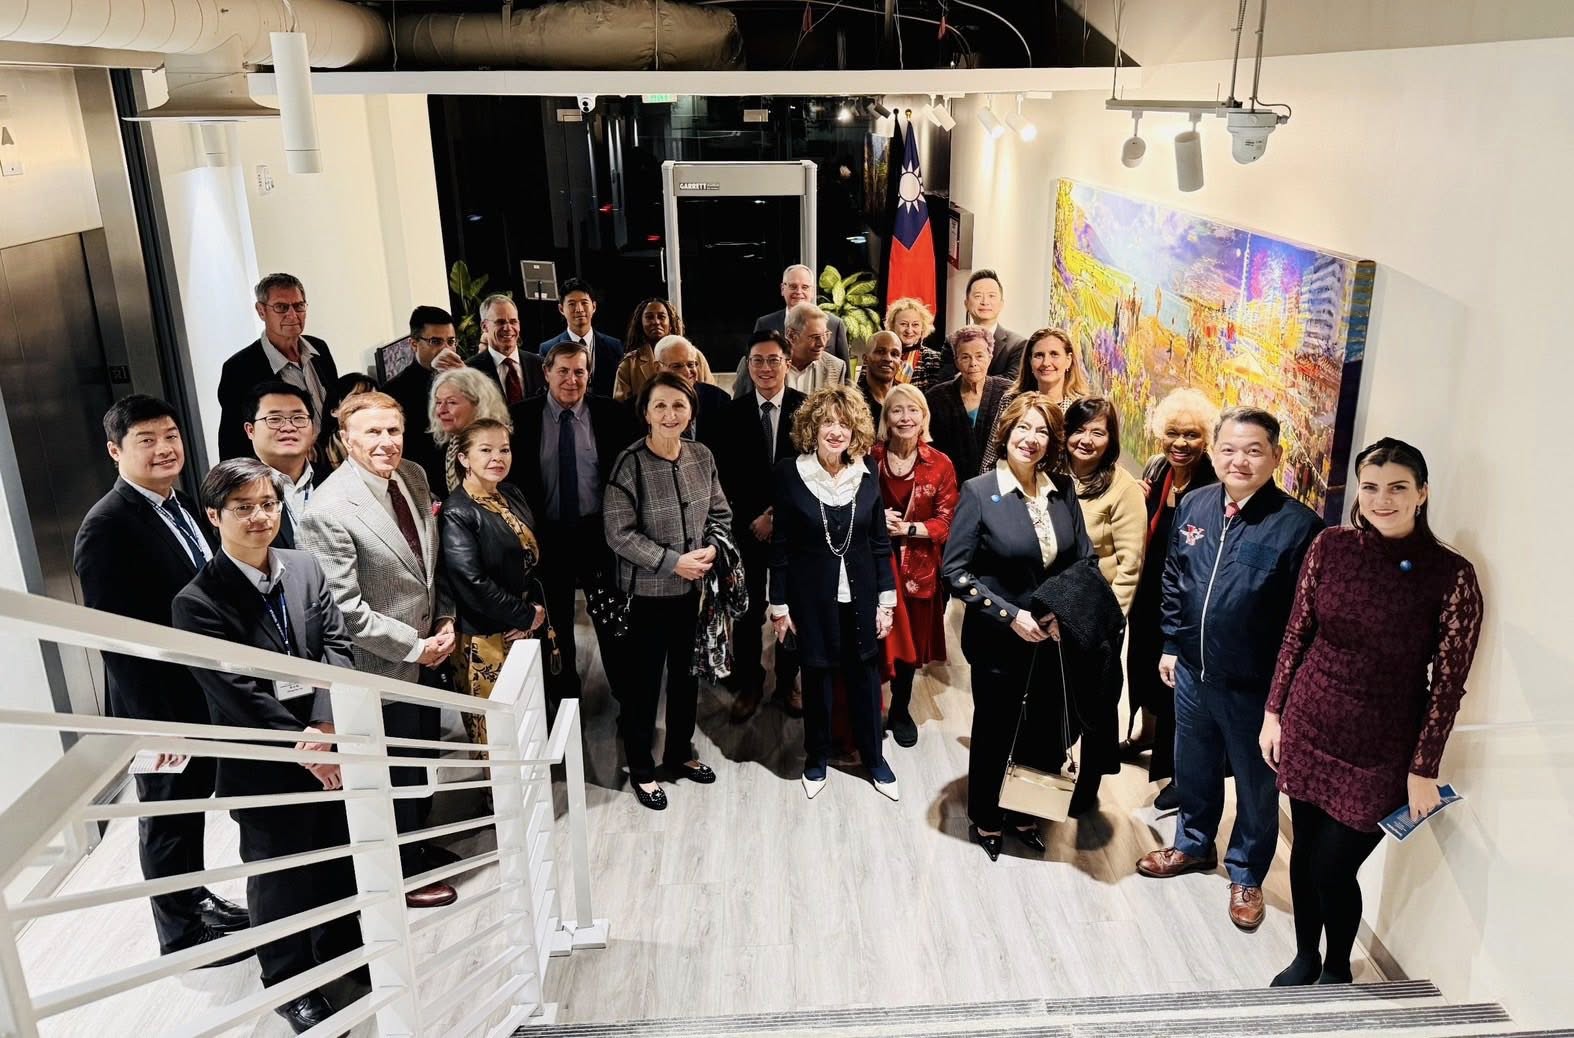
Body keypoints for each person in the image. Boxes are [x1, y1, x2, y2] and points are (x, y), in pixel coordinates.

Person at [1260, 438, 1483, 987]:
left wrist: (1424, 768)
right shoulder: (1331, 546)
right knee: (1304, 852)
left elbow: (1447, 684)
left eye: (1398, 487)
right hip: (1310, 724)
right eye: (1372, 487)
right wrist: (1273, 713)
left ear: (1422, 493)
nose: (1383, 500)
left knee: (1333, 866)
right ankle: (1306, 956)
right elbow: (1295, 635)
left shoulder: (1450, 575)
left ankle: (1337, 969)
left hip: (1382, 746)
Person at [171, 459, 360, 1034]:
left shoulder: (303, 566)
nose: (259, 517)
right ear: (214, 516)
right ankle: (288, 984)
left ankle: (341, 952)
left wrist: (324, 725)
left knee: (336, 855)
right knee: (279, 878)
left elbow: (336, 645)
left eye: (268, 504)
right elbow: (233, 690)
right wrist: (303, 744)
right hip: (264, 760)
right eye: (243, 508)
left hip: (327, 739)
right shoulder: (197, 601)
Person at [73, 396, 249, 960]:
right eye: (146, 440)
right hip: (161, 703)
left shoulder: (182, 503)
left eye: (170, 435)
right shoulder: (107, 526)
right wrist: (158, 725)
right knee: (168, 814)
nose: (164, 448)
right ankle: (181, 933)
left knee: (190, 806)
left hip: (202, 690)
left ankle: (194, 899)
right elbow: (117, 641)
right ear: (115, 451)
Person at [1136, 407, 1324, 934]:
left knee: (1257, 783)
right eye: (1229, 449)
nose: (1239, 460)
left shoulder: (1300, 527)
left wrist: (1282, 700)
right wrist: (1171, 643)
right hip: (1192, 673)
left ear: (1276, 457)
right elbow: (1174, 576)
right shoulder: (1196, 503)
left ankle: (1247, 873)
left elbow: (1304, 621)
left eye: (1254, 450)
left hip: (1254, 686)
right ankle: (1193, 844)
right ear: (1215, 453)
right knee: (1192, 765)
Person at [297, 391, 459, 909]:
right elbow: (345, 611)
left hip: (429, 653)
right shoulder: (327, 510)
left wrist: (446, 619)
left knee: (421, 764)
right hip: (381, 669)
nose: (386, 442)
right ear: (346, 439)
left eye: (393, 430)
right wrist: (415, 647)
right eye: (372, 432)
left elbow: (429, 564)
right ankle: (400, 876)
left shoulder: (412, 474)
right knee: (393, 777)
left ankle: (416, 849)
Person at [941, 393, 1096, 861]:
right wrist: (1011, 616)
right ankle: (987, 816)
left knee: (1041, 728)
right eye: (1023, 428)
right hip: (998, 638)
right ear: (1006, 432)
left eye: (1042, 431)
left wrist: (1060, 613)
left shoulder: (1062, 489)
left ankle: (1026, 811)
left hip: (1052, 636)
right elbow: (956, 573)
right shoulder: (979, 491)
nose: (1031, 439)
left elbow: (1084, 559)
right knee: (996, 727)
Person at [603, 373, 731, 810]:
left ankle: (679, 754)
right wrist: (672, 561)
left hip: (692, 594)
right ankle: (642, 769)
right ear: (646, 413)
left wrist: (712, 546)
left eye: (679, 405)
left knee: (685, 677)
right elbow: (618, 533)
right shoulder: (629, 463)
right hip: (646, 597)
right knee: (642, 687)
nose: (670, 414)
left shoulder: (702, 455)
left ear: (691, 411)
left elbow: (720, 513)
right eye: (660, 405)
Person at [770, 384, 900, 802]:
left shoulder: (867, 470)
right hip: (810, 598)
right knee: (817, 676)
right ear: (813, 427)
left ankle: (874, 758)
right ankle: (817, 757)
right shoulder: (790, 473)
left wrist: (886, 600)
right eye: (827, 422)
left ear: (855, 430)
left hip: (862, 595)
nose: (836, 431)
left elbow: (879, 541)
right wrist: (778, 604)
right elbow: (781, 545)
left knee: (865, 678)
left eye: (844, 424)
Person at [507, 341, 637, 706]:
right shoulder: (520, 418)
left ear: (589, 375)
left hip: (599, 535)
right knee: (555, 625)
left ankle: (626, 697)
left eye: (579, 371)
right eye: (562, 371)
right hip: (546, 538)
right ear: (546, 373)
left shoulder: (612, 415)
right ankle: (565, 700)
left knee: (612, 622)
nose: (571, 379)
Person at [1123, 388, 1221, 807]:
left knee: (1176, 685)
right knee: (1142, 666)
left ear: (1207, 439)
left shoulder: (1213, 484)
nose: (1181, 443)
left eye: (1192, 435)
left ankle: (1180, 772)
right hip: (1148, 590)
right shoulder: (1158, 468)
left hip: (1185, 598)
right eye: (1173, 433)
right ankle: (1145, 735)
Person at [439, 418, 549, 745]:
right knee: (496, 736)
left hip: (521, 627)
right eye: (486, 450)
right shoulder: (457, 511)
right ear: (464, 458)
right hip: (484, 639)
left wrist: (532, 613)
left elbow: (530, 561)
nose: (497, 458)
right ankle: (495, 783)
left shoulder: (510, 493)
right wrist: (525, 615)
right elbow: (471, 582)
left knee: (526, 721)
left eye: (504, 450)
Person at [870, 383, 957, 747]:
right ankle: (870, 706)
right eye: (897, 410)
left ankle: (901, 708)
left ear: (924, 417)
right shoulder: (868, 457)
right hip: (872, 563)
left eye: (913, 410)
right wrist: (875, 520)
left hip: (917, 568)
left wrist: (906, 528)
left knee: (909, 643)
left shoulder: (940, 463)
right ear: (886, 418)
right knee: (872, 637)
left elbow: (946, 521)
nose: (905, 418)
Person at [217, 273, 341, 460]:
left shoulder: (319, 349)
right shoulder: (239, 369)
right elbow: (233, 443)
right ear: (261, 311)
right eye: (281, 307)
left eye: (298, 306)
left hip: (333, 461)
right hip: (285, 469)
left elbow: (334, 405)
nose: (292, 315)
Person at [1064, 398, 1146, 615]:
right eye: (1078, 430)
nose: (1086, 440)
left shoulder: (1124, 488)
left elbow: (1130, 566)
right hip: (1046, 603)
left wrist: (1110, 619)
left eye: (1098, 433)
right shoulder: (1048, 474)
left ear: (1111, 439)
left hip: (1093, 608)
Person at [980, 329, 1089, 471]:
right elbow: (992, 456)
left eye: (1054, 354)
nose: (1046, 362)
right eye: (1039, 355)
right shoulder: (1011, 401)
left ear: (1068, 360)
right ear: (1029, 361)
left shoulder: (1080, 407)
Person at [386, 306, 465, 492]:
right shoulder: (394, 392)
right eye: (435, 341)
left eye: (451, 341)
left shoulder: (466, 376)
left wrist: (467, 382)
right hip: (427, 487)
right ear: (414, 344)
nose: (446, 349)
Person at [244, 381, 328, 549]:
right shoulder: (237, 491)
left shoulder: (334, 480)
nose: (288, 427)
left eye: (298, 418)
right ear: (250, 430)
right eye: (274, 419)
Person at [925, 325, 1012, 479]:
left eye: (979, 356)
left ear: (990, 357)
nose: (973, 363)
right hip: (949, 482)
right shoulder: (935, 398)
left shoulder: (1009, 393)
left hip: (998, 481)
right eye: (965, 357)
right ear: (956, 361)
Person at [731, 301, 847, 399]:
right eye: (814, 337)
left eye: (825, 335)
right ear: (791, 335)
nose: (822, 343)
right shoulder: (754, 364)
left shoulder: (836, 367)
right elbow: (738, 408)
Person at [613, 298, 716, 401]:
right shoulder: (629, 364)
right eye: (649, 317)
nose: (656, 322)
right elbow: (620, 405)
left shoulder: (695, 356)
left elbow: (711, 396)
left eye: (661, 317)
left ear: (670, 323)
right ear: (641, 324)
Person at [429, 366, 512, 496]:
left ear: (478, 405)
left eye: (451, 402)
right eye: (438, 402)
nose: (441, 410)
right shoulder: (446, 447)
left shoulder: (505, 443)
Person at [538, 276, 622, 398]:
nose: (579, 309)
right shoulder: (548, 349)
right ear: (561, 309)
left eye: (584, 303)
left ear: (594, 306)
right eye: (572, 304)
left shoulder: (614, 346)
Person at [753, 263, 850, 363]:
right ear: (782, 289)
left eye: (805, 287)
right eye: (793, 286)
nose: (799, 292)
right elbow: (753, 364)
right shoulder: (765, 324)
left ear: (813, 291)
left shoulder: (834, 324)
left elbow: (845, 371)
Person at [467, 293, 544, 405]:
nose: (508, 328)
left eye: (513, 322)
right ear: (484, 326)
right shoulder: (471, 371)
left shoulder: (539, 365)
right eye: (500, 322)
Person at [653, 334, 731, 443]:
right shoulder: (639, 405)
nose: (686, 372)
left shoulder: (719, 400)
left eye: (690, 365)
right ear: (657, 368)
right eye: (677, 366)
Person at [961, 269, 1027, 379]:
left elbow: (1009, 384)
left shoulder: (1018, 345)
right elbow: (946, 383)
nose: (985, 302)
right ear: (966, 303)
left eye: (991, 296)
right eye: (978, 296)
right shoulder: (952, 342)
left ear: (1001, 304)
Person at [884, 296, 946, 391]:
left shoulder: (934, 359)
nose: (909, 330)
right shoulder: (879, 355)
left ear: (923, 327)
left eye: (915, 324)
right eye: (903, 324)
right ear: (892, 326)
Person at [321, 373, 380, 471]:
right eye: (357, 399)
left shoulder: (392, 441)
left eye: (374, 399)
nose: (368, 405)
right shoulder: (317, 455)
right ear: (335, 411)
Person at [856, 330, 904, 428]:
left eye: (894, 354)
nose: (888, 359)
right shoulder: (852, 400)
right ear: (865, 358)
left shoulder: (906, 397)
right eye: (880, 352)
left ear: (900, 363)